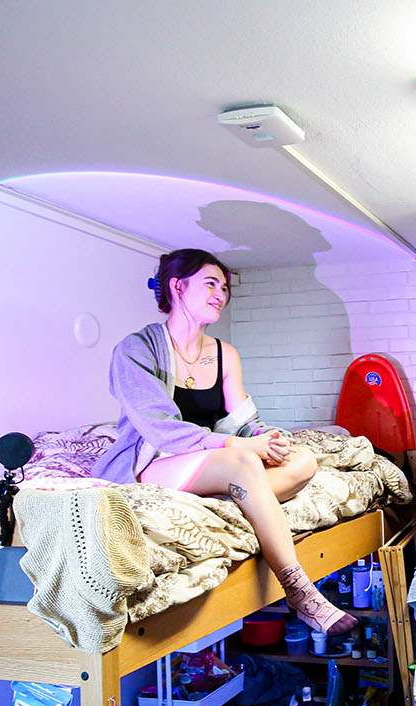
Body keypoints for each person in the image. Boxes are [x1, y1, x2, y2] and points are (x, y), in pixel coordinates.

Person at [92, 248, 356, 635]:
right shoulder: (136, 349)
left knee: (303, 461)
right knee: (244, 464)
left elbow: (244, 423)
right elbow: (162, 430)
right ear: (178, 287)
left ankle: (241, 497)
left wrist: (268, 439)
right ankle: (301, 593)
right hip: (156, 461)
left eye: (225, 287)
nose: (221, 293)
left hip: (210, 463)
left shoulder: (224, 354)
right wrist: (243, 449)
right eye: (210, 283)